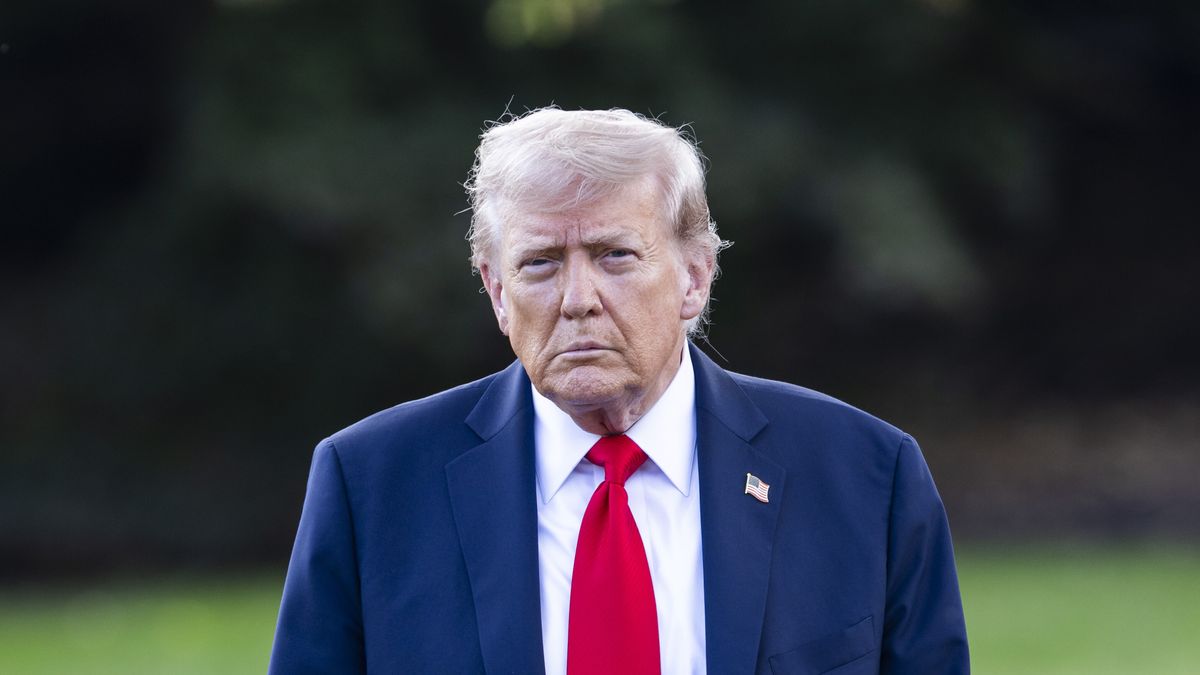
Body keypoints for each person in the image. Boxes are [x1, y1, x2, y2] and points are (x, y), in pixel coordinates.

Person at [268, 107, 970, 674]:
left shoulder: (865, 477)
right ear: (496, 290)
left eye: (615, 256)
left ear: (695, 276)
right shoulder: (372, 486)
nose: (578, 298)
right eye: (540, 262)